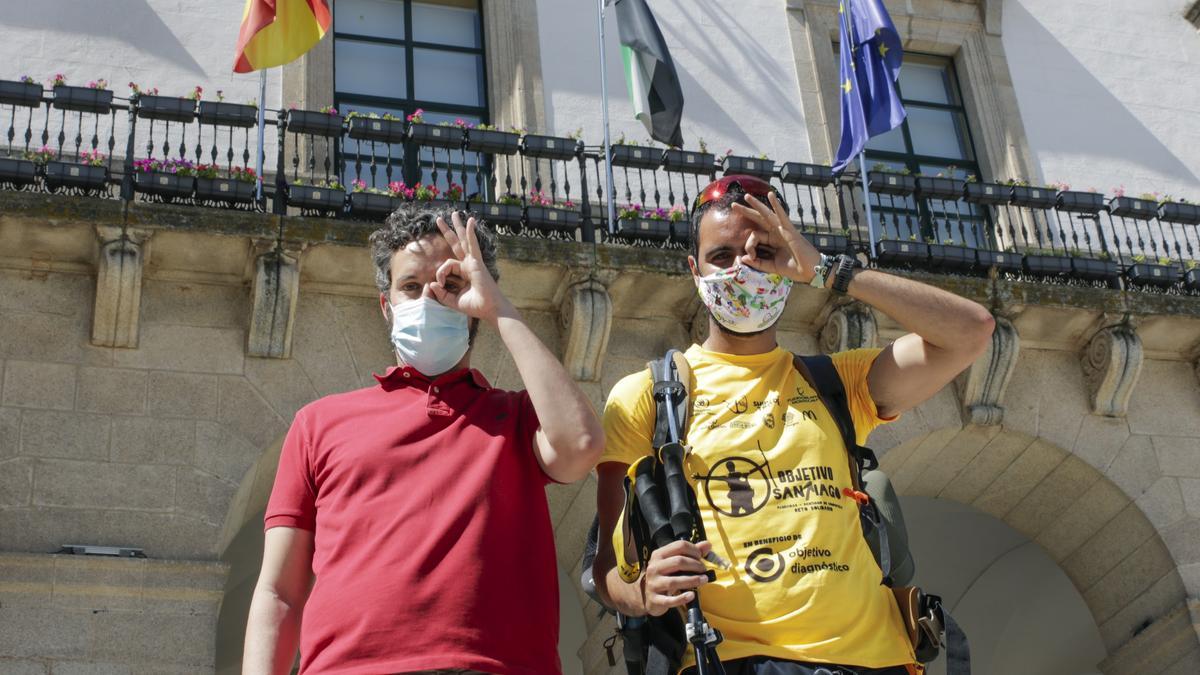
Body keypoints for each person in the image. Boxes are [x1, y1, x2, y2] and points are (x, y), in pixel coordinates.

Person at [592, 175, 995, 675]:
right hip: (735, 661)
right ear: (694, 270)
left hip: (876, 661)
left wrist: (827, 270)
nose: (744, 267)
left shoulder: (839, 382)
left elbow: (970, 333)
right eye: (722, 256)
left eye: (764, 251)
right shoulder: (648, 397)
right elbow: (606, 571)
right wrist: (643, 593)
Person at [243, 206, 605, 675]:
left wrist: (499, 310)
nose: (430, 299)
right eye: (411, 287)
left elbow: (580, 444)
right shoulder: (318, 423)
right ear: (386, 304)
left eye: (449, 286)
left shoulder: (516, 417)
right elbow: (279, 591)